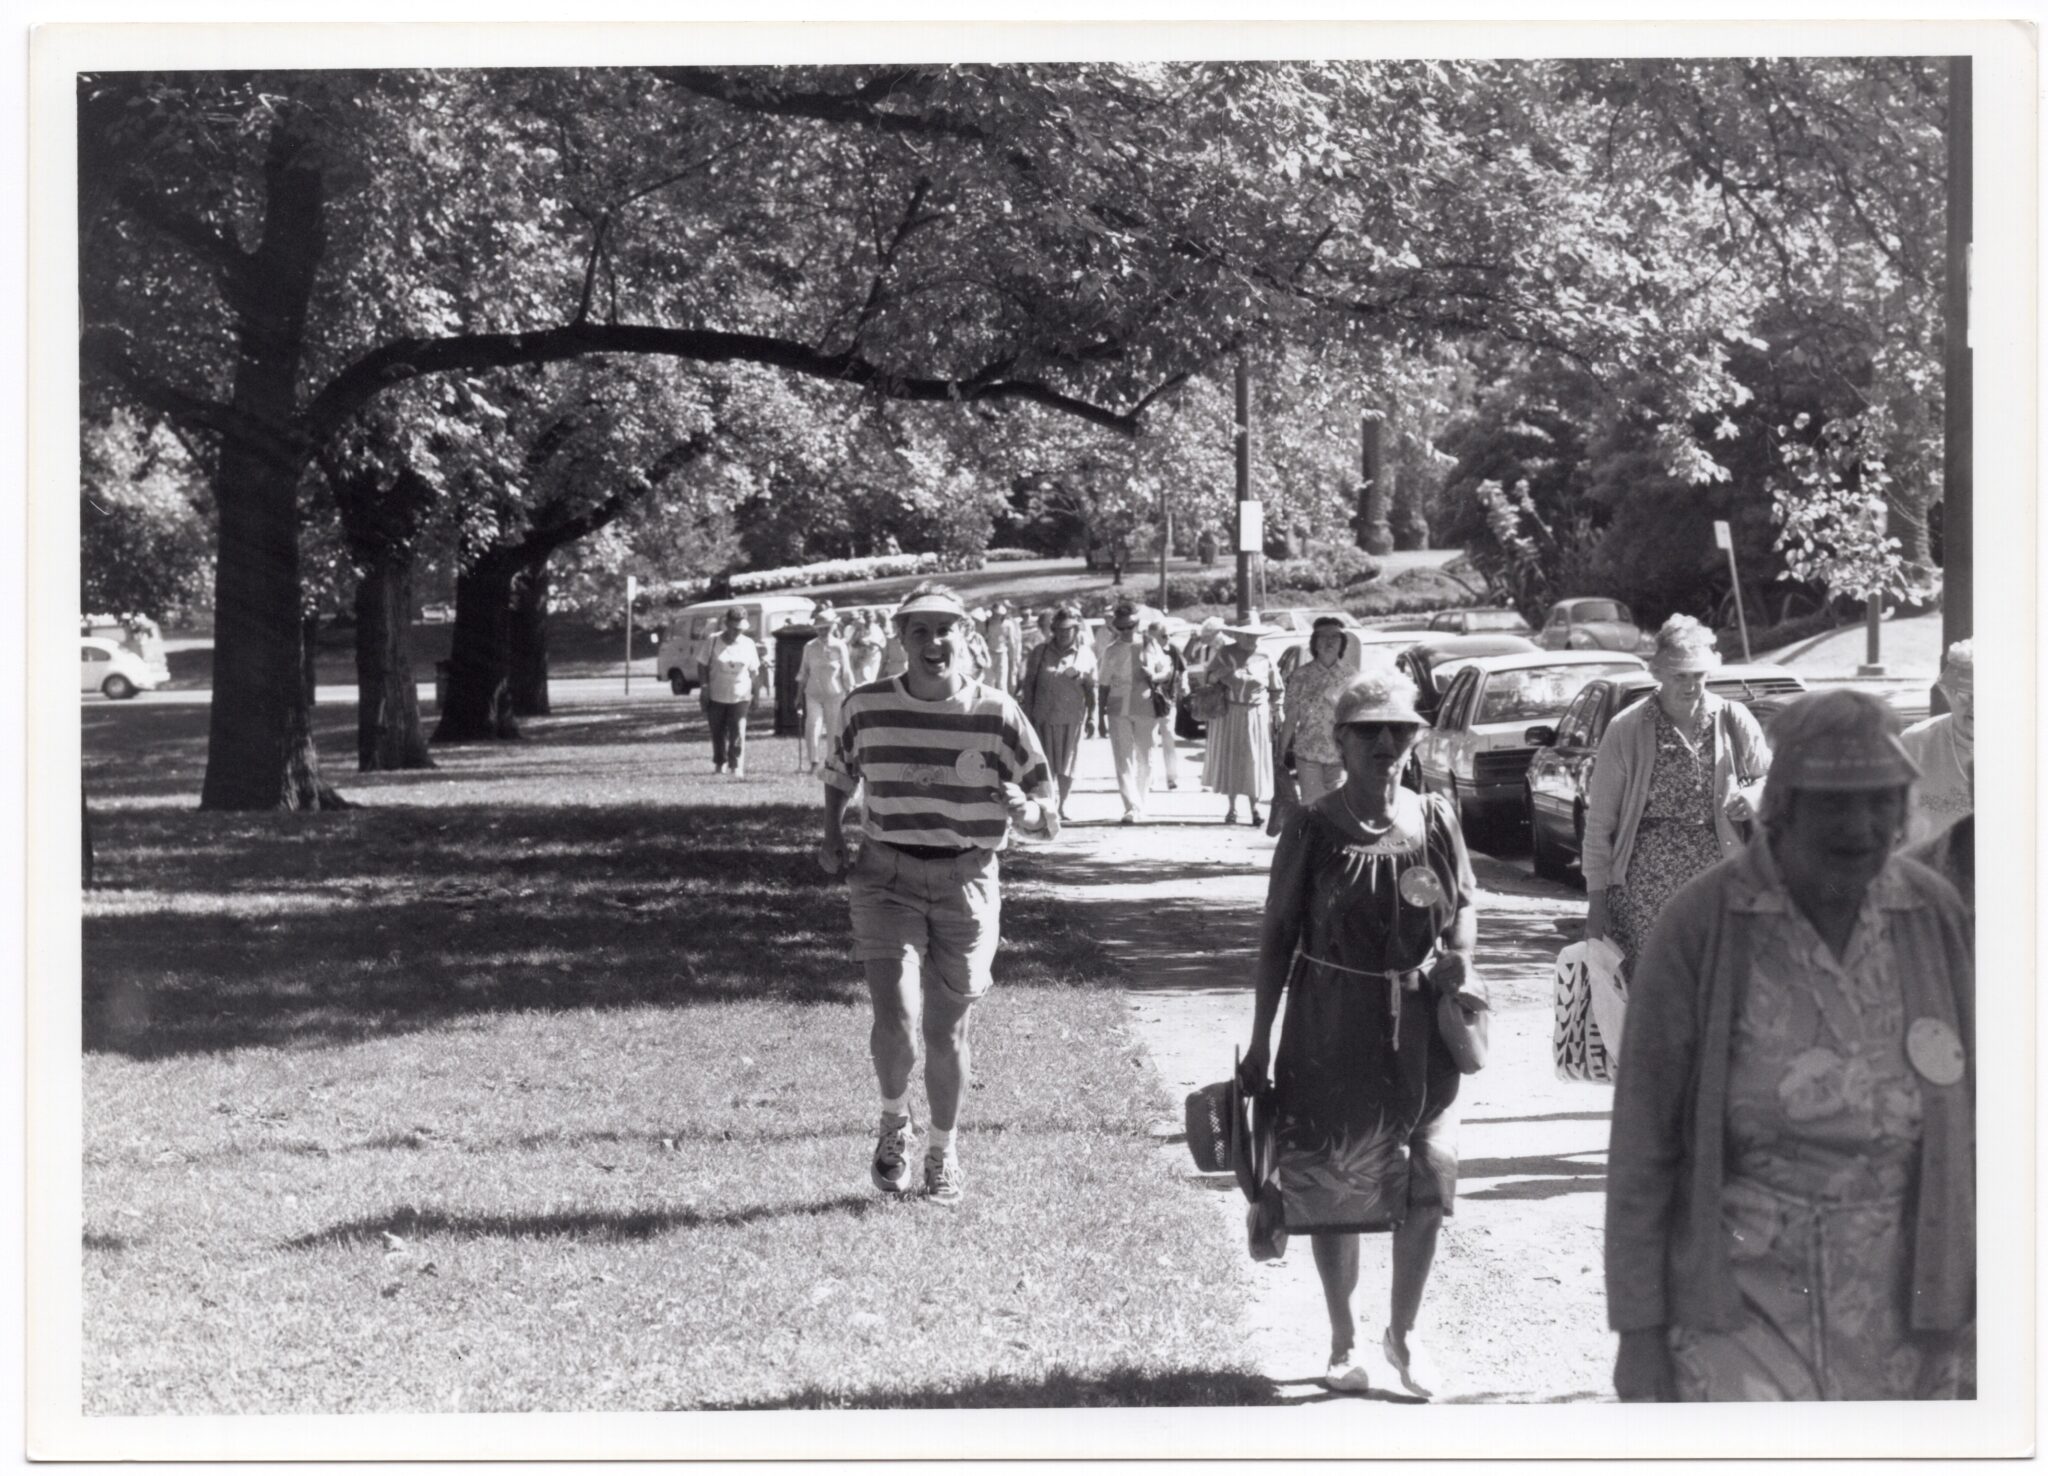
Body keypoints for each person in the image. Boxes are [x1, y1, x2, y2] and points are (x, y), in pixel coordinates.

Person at [1606, 689, 1974, 1402]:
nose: (1861, 825)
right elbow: (1643, 1143)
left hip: (1910, 1308)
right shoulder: (1703, 924)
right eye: (1835, 803)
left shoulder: (1929, 912)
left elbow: (1977, 1117)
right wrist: (1639, 1331)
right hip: (1742, 1306)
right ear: (1783, 808)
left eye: (1880, 801)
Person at [1241, 668, 1481, 1397]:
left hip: (1420, 1026)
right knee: (1337, 1182)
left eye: (1399, 730)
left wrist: (1460, 957)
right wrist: (1259, 1040)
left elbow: (1464, 900)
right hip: (1328, 1021)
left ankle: (1403, 1337)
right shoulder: (1312, 828)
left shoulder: (1435, 815)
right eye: (1369, 731)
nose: (1386, 743)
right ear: (1338, 742)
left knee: (1429, 1174)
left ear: (1415, 741)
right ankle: (1344, 1338)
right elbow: (1277, 935)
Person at [818, 584, 1059, 1207]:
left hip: (967, 880)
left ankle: (943, 1152)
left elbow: (1048, 814)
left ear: (966, 636)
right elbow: (841, 774)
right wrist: (830, 834)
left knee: (946, 1033)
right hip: (885, 875)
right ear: (900, 638)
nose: (933, 642)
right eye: (919, 631)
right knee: (894, 1017)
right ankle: (894, 1122)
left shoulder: (998, 712)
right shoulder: (865, 706)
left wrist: (1025, 808)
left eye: (944, 629)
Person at [1583, 615, 1771, 968]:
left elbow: (1770, 778)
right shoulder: (1627, 728)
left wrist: (1753, 797)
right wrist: (1597, 904)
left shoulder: (1733, 718)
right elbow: (1599, 824)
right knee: (1657, 987)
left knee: (1720, 982)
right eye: (1679, 676)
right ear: (1658, 673)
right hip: (1646, 888)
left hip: (1721, 876)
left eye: (1698, 676)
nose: (1690, 686)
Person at [1097, 601, 1174, 824]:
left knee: (1146, 756)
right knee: (1123, 758)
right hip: (1117, 708)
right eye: (1120, 628)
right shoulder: (1110, 651)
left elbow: (1166, 671)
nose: (1125, 632)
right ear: (1115, 628)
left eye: (1129, 626)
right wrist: (1100, 718)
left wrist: (1154, 675)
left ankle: (1141, 802)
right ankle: (1131, 806)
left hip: (1145, 705)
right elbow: (1103, 685)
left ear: (1137, 624)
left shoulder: (1150, 644)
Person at [1199, 624, 1282, 826]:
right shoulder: (1225, 653)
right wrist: (1222, 674)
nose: (1252, 640)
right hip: (1230, 711)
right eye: (1248, 635)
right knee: (1232, 758)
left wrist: (1278, 709)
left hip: (1256, 712)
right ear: (1237, 634)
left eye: (1256, 636)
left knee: (1253, 758)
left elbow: (1276, 686)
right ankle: (1232, 808)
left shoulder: (1266, 654)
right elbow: (1208, 678)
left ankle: (1255, 808)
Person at [1019, 605, 1096, 821]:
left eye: (1068, 629)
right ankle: (1049, 803)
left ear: (1076, 629)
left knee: (1067, 763)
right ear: (1053, 629)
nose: (1063, 634)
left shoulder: (1085, 654)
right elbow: (1029, 685)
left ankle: (1063, 803)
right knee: (1045, 763)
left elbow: (1092, 688)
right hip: (1042, 716)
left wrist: (1093, 716)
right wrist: (1027, 715)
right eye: (1060, 629)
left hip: (1072, 717)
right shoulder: (1040, 652)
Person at [1901, 639, 1973, 846]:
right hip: (1927, 871)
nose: (1975, 706)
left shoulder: (2027, 747)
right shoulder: (1915, 744)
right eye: (1965, 695)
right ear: (1947, 692)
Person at [1278, 617, 1354, 806]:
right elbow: (1291, 718)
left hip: (1340, 755)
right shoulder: (1300, 676)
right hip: (1308, 755)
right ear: (1314, 643)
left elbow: (1357, 719)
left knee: (1339, 807)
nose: (1329, 641)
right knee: (1312, 806)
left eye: (1335, 637)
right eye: (1323, 636)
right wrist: (1279, 754)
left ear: (1342, 643)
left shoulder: (1352, 676)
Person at [696, 607, 762, 778]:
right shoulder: (713, 641)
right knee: (717, 730)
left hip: (740, 694)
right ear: (726, 625)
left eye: (739, 629)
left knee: (738, 731)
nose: (736, 632)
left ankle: (736, 765)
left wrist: (756, 694)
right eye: (733, 628)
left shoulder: (748, 644)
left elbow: (754, 672)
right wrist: (704, 688)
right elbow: (702, 664)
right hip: (716, 693)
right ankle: (720, 762)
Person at [795, 612, 852, 774]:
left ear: (832, 627)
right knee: (812, 725)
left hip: (835, 693)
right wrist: (798, 696)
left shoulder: (840, 645)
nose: (823, 631)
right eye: (820, 628)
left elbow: (846, 672)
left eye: (826, 628)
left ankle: (832, 763)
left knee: (834, 729)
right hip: (813, 693)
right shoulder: (809, 646)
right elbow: (803, 672)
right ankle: (813, 762)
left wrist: (849, 693)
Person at [1145, 617, 1186, 792]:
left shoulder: (1173, 650)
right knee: (1149, 741)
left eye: (1167, 635)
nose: (1166, 639)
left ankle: (1172, 778)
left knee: (1169, 738)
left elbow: (1182, 669)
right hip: (1147, 701)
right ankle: (1150, 779)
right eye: (1162, 636)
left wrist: (1184, 686)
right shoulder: (1144, 652)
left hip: (1168, 700)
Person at [984, 601, 1023, 695]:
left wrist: (1014, 658)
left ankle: (1002, 705)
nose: (997, 616)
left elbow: (1012, 642)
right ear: (992, 612)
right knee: (989, 682)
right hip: (989, 654)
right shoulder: (987, 623)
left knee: (1002, 682)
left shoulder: (1008, 624)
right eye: (995, 614)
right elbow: (982, 638)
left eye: (1000, 614)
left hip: (1002, 654)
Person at [847, 613, 884, 687]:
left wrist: (871, 643)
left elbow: (881, 645)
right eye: (866, 617)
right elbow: (852, 643)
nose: (868, 619)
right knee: (863, 680)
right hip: (860, 659)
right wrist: (861, 642)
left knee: (871, 680)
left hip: (873, 658)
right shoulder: (859, 628)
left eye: (870, 617)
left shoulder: (876, 629)